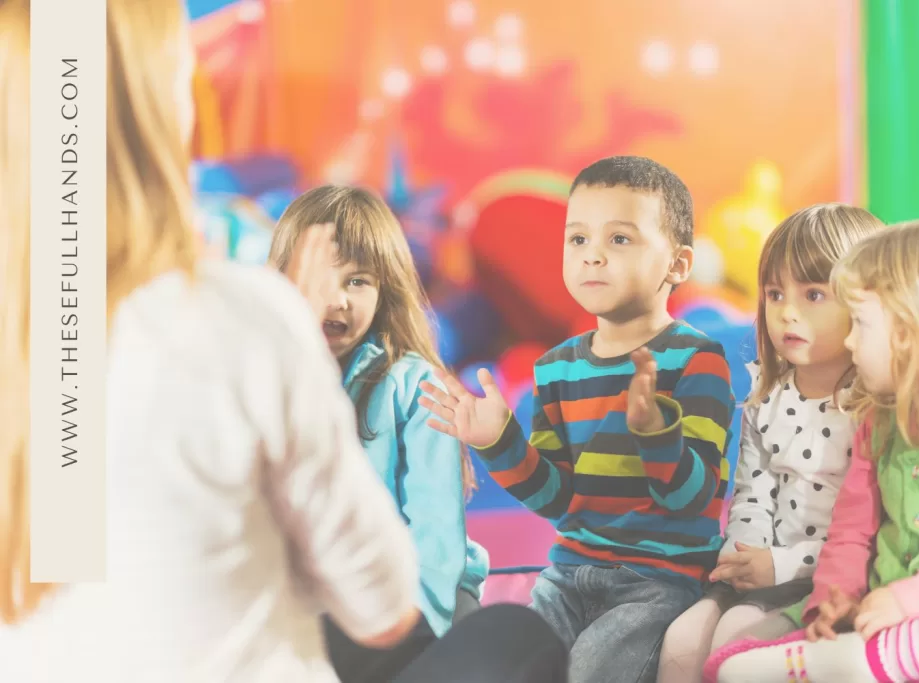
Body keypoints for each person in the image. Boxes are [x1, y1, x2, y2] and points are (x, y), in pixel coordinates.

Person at [0, 2, 567, 681]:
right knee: (517, 635)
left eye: (361, 282)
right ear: (158, 107)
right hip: (349, 622)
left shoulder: (40, 335)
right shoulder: (241, 319)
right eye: (185, 78)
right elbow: (385, 604)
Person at [420, 155, 735, 683]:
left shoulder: (696, 360)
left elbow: (695, 499)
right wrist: (501, 441)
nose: (592, 257)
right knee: (508, 659)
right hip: (567, 575)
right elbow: (557, 498)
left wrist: (657, 434)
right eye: (578, 239)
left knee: (587, 672)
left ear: (678, 266)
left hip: (658, 582)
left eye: (619, 240)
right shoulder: (558, 367)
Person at [705, 216, 919, 683]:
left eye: (861, 324)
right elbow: (851, 534)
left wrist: (912, 599)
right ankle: (848, 659)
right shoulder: (878, 424)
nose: (850, 342)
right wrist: (832, 603)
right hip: (883, 615)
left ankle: (858, 665)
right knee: (734, 665)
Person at [268, 185, 490, 681]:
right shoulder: (269, 382)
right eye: (322, 280)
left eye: (359, 281)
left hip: (424, 589)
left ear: (384, 291)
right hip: (327, 596)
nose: (339, 299)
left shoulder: (415, 385)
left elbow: (436, 533)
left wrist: (410, 631)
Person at [657, 204, 886, 683]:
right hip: (759, 570)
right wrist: (744, 554)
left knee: (735, 638)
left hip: (825, 579)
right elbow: (752, 493)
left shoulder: (872, 409)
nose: (788, 312)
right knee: (681, 638)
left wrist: (778, 565)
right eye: (775, 293)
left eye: (814, 294)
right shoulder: (767, 397)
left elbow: (868, 536)